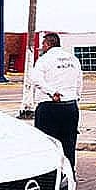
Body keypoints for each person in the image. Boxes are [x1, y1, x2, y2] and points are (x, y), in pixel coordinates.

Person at [30, 32, 83, 170]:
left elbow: (36, 79)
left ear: (48, 44)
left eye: (43, 44)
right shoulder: (73, 59)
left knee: (48, 143)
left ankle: (50, 174)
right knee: (69, 143)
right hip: (71, 107)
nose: (42, 47)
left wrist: (52, 92)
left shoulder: (44, 59)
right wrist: (76, 97)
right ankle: (69, 172)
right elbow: (79, 81)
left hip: (49, 107)